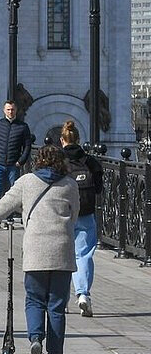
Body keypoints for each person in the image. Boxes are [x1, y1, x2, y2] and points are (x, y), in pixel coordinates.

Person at [0, 145, 79, 354]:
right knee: (56, 307)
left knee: (35, 301)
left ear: (38, 161)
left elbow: (1, 208)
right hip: (62, 252)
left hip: (36, 251)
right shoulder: (70, 184)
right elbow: (74, 215)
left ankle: (35, 340)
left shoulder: (26, 181)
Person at [58, 120, 102, 317]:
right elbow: (99, 187)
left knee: (62, 255)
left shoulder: (57, 160)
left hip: (61, 213)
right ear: (78, 139)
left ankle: (62, 298)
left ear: (62, 140)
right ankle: (83, 294)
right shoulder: (89, 161)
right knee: (83, 254)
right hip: (85, 212)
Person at [0, 101, 34, 207]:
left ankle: (9, 216)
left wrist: (21, 161)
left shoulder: (23, 127)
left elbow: (27, 146)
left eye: (12, 109)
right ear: (4, 110)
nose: (10, 112)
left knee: (12, 192)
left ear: (16, 110)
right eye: (8, 109)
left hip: (13, 164)